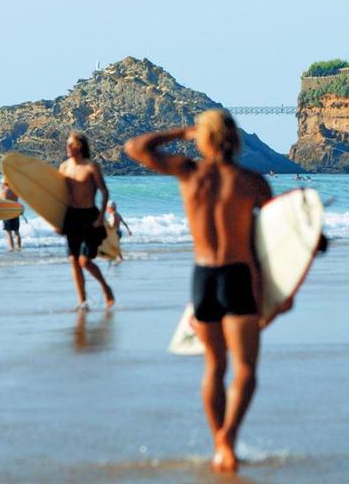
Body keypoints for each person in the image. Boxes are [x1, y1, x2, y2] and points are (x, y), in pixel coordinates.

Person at [125, 109, 282, 474]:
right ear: (235, 138)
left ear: (204, 137)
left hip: (203, 277)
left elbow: (135, 147)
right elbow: (277, 236)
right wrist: (281, 291)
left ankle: (218, 444)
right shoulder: (252, 181)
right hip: (240, 277)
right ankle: (229, 437)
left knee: (215, 365)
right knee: (245, 369)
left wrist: (182, 131)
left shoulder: (188, 173)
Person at [59, 131, 114, 310]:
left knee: (84, 260)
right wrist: (57, 222)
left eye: (71, 144)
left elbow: (104, 191)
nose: (67, 147)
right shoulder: (64, 167)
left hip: (89, 216)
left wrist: (101, 217)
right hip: (71, 217)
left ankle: (105, 287)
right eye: (67, 144)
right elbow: (59, 197)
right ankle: (82, 302)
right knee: (73, 261)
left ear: (80, 146)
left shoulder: (91, 166)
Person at [0, 178, 22, 252]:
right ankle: (19, 248)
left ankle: (11, 248)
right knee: (16, 231)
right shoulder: (15, 190)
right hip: (15, 211)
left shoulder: (4, 190)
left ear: (5, 183)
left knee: (8, 232)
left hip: (7, 213)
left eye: (2, 183)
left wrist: (0, 190)